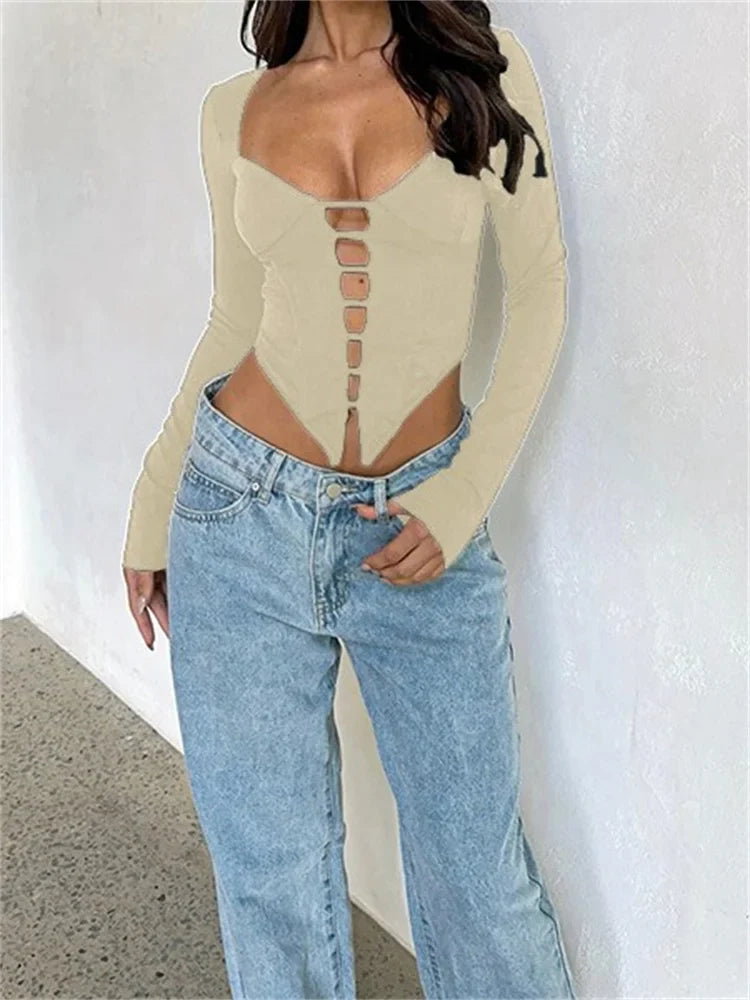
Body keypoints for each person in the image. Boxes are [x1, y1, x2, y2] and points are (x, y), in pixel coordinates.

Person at [121, 1, 574, 997]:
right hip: (238, 512)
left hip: (422, 522)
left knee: (479, 883)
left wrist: (461, 496)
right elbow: (234, 319)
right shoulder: (232, 110)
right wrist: (154, 502)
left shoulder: (484, 73)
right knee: (270, 884)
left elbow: (541, 287)